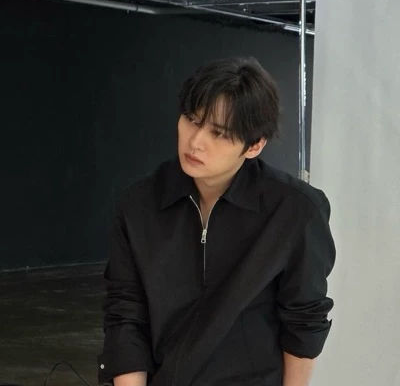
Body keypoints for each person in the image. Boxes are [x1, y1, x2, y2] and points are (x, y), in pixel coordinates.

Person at [97, 57, 336, 386]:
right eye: (191, 120)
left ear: (255, 145)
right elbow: (126, 315)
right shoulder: (138, 205)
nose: (196, 141)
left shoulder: (295, 210)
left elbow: (304, 322)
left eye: (218, 133)